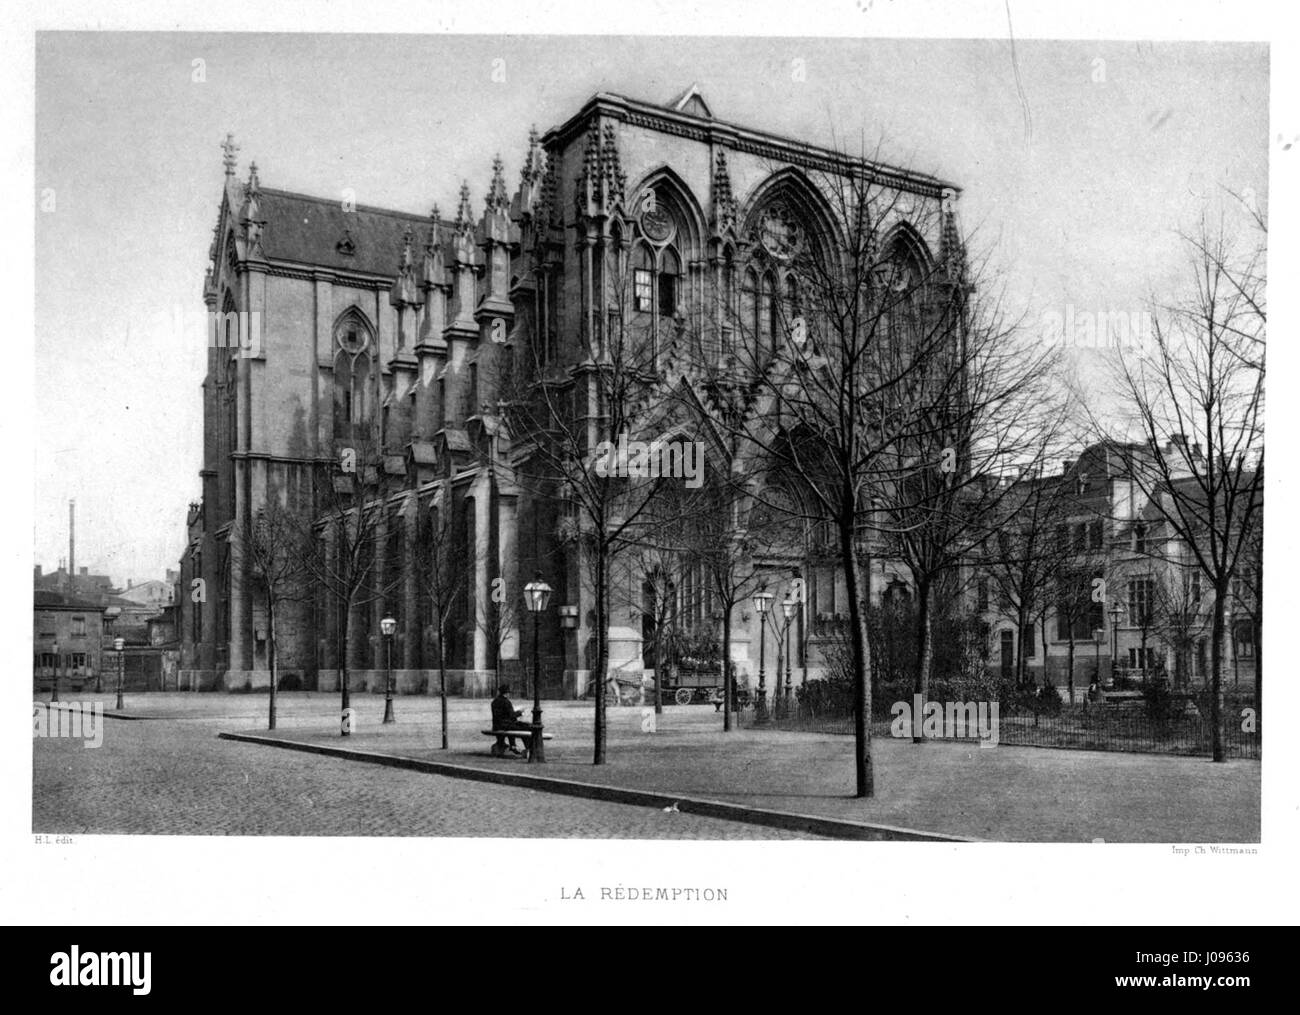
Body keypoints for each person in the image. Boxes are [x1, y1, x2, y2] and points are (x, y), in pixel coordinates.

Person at [490, 684, 532, 756]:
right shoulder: (506, 702)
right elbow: (511, 715)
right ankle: (528, 748)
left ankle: (512, 745)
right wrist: (520, 712)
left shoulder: (494, 701)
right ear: (507, 693)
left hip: (497, 725)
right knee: (525, 728)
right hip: (506, 725)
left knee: (516, 725)